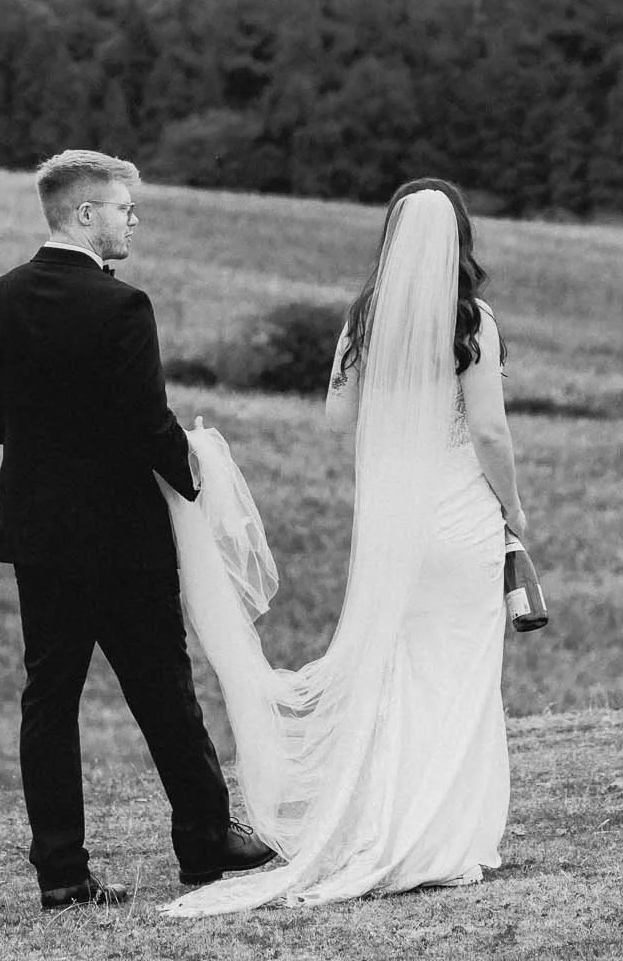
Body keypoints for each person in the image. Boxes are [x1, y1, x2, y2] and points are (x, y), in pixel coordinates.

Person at [163, 176, 520, 916]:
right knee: (459, 671)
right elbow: (488, 430)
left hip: (396, 529)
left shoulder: (365, 320)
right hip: (459, 519)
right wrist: (515, 508)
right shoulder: (472, 319)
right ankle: (449, 834)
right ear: (459, 236)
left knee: (400, 672)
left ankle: (389, 824)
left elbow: (338, 414)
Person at [0, 149, 278, 910]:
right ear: (83, 214)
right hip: (121, 533)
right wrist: (198, 469)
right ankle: (204, 840)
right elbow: (147, 424)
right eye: (123, 207)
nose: (132, 219)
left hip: (40, 532)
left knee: (49, 698)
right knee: (163, 687)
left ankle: (62, 874)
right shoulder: (121, 307)